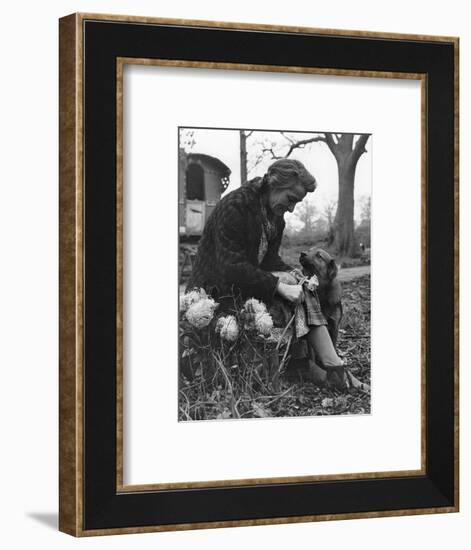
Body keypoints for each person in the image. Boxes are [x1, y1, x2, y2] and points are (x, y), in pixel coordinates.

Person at [187, 158, 347, 386]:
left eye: (296, 203)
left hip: (243, 285)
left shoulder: (275, 218)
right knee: (289, 298)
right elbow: (230, 267)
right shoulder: (236, 206)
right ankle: (321, 369)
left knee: (303, 290)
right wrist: (278, 285)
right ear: (274, 183)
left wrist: (291, 274)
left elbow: (269, 260)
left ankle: (326, 367)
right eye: (290, 199)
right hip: (213, 295)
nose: (291, 209)